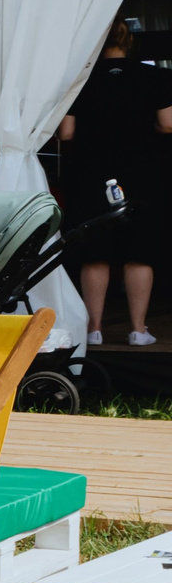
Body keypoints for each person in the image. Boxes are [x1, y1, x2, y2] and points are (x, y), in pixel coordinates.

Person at [60, 20, 171, 346]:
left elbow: (66, 132)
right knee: (140, 251)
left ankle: (93, 329)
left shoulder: (78, 81)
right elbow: (168, 124)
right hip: (143, 172)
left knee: (95, 251)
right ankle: (138, 330)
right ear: (129, 41)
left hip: (90, 173)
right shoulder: (155, 76)